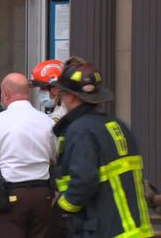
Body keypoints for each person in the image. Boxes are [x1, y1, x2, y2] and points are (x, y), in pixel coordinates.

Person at [51, 60, 153, 237]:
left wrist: (62, 208)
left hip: (104, 228)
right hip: (136, 229)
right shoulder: (118, 125)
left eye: (62, 94)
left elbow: (84, 181)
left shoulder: (79, 129)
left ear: (71, 96)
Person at [0, 73, 55, 238]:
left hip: (10, 195)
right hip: (41, 194)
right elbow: (54, 159)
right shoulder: (47, 121)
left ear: (5, 94)